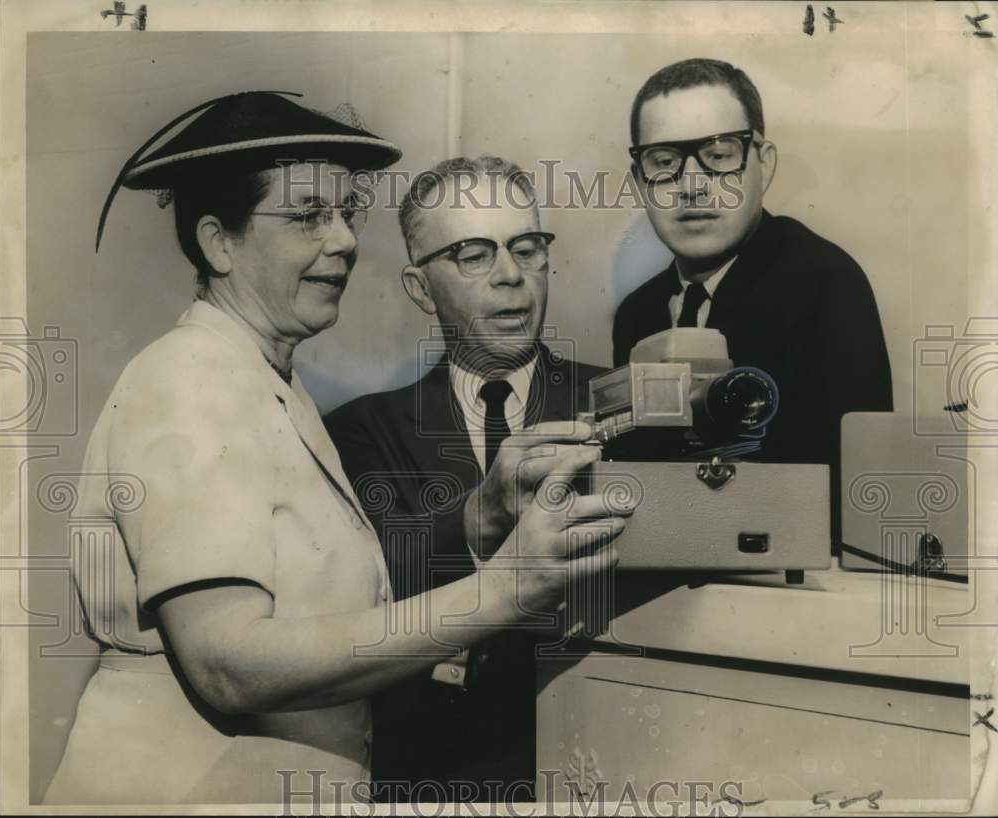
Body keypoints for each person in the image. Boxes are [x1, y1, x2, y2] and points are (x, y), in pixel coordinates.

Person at [44, 96, 627, 806]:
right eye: (308, 215)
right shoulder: (187, 380)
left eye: (347, 212)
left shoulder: (266, 386)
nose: (347, 240)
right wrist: (504, 589)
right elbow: (228, 662)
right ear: (217, 243)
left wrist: (477, 522)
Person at [325, 156, 605, 802]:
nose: (511, 276)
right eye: (474, 255)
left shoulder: (619, 404)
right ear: (421, 289)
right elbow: (366, 590)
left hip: (601, 758)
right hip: (437, 777)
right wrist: (481, 513)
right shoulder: (363, 431)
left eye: (526, 248)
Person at [613, 58, 893, 525]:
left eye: (719, 155)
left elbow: (853, 499)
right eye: (664, 162)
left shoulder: (825, 284)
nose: (692, 186)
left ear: (764, 164)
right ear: (640, 180)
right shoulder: (637, 314)